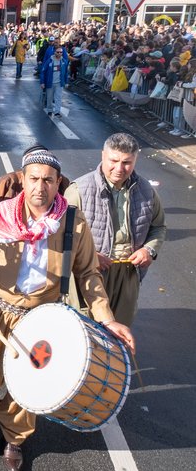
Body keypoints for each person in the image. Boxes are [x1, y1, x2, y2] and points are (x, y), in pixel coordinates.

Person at [0, 149, 135, 471]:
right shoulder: (1, 215)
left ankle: (14, 438)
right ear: (23, 180)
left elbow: (88, 275)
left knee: (28, 387)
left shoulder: (72, 222)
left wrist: (107, 319)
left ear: (58, 184)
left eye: (48, 180)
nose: (41, 187)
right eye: (34, 179)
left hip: (43, 317)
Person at [64, 133, 166, 326]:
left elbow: (158, 226)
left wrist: (149, 250)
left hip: (128, 273)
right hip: (89, 273)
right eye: (114, 160)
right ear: (103, 155)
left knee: (120, 330)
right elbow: (61, 236)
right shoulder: (79, 190)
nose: (119, 169)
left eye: (127, 162)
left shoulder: (146, 190)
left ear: (136, 159)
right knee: (86, 330)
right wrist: (90, 255)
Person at [0, 144, 70, 206]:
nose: (40, 189)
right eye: (34, 179)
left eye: (48, 180)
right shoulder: (8, 180)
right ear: (23, 178)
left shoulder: (69, 217)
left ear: (58, 182)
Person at [40, 46, 68, 118]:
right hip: (50, 83)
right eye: (58, 52)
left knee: (58, 98)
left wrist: (66, 82)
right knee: (49, 97)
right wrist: (42, 82)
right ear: (54, 52)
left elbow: (66, 73)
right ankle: (49, 110)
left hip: (59, 83)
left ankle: (57, 112)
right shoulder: (49, 61)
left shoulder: (64, 61)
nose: (59, 53)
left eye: (61, 52)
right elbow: (43, 72)